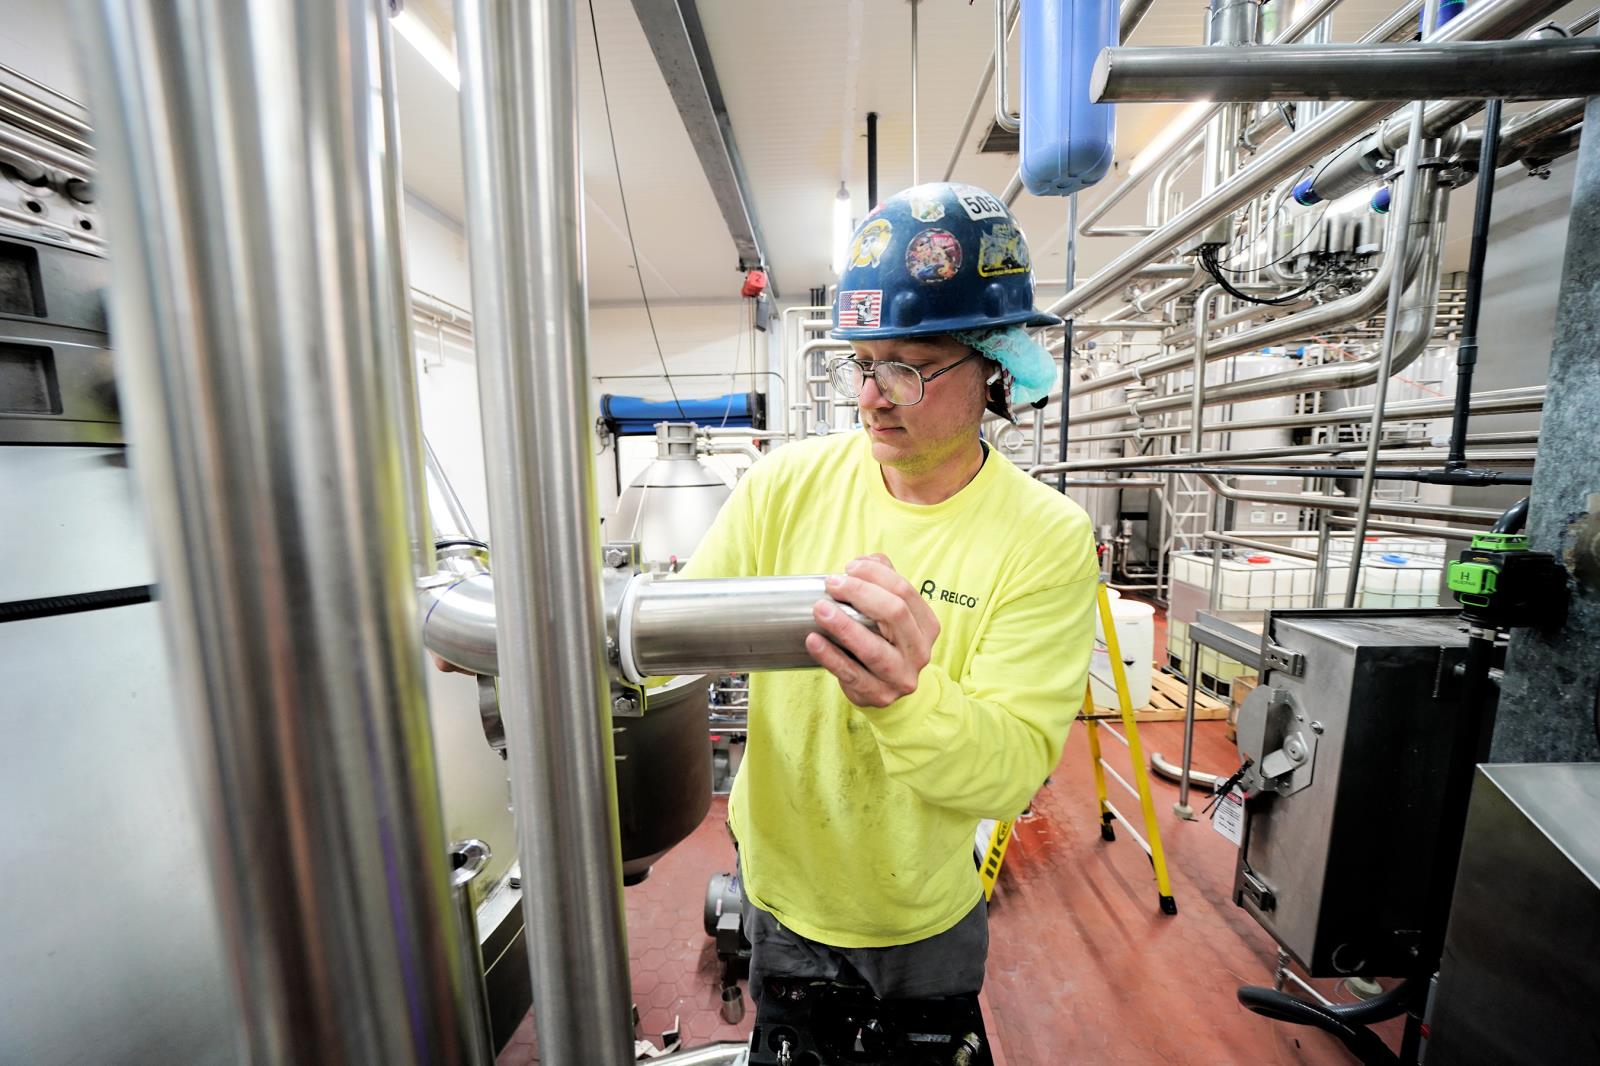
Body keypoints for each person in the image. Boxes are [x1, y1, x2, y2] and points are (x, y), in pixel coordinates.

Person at [678, 182, 1099, 1004]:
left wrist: (905, 697)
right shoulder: (785, 485)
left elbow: (1010, 773)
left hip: (920, 917)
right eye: (863, 366)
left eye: (906, 370)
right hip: (780, 897)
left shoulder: (1045, 537)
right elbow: (681, 638)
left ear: (995, 363)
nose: (871, 397)